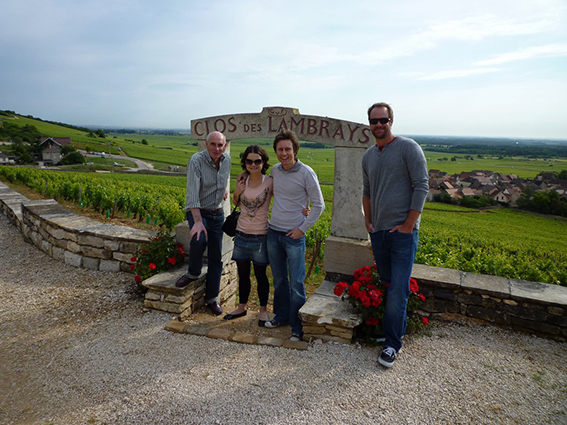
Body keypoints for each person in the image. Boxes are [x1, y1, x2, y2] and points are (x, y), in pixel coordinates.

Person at [362, 102, 429, 368]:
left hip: (402, 233)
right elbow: (366, 190)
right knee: (390, 285)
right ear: (369, 123)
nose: (379, 125)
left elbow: (422, 186)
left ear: (391, 121)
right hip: (378, 232)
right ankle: (393, 332)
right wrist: (368, 220)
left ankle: (392, 345)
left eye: (383, 120)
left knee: (398, 288)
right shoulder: (368, 156)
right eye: (374, 121)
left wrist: (409, 224)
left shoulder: (408, 148)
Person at [264, 129, 325, 342]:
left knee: (296, 283)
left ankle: (297, 326)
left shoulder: (306, 172)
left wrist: (302, 229)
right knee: (279, 280)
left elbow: (319, 205)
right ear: (276, 151)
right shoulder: (275, 170)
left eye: (287, 149)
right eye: (280, 149)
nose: (284, 153)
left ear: (294, 150)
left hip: (294, 236)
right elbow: (266, 191)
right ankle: (281, 316)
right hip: (274, 232)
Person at [175, 131, 231, 317]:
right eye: (213, 144)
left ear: (224, 146)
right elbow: (192, 194)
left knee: (216, 255)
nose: (217, 148)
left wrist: (222, 190)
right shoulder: (196, 161)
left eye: (220, 145)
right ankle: (192, 273)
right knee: (198, 240)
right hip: (198, 211)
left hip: (217, 213)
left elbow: (224, 177)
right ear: (207, 145)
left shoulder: (227, 160)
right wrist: (198, 222)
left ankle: (212, 298)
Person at [223, 145, 273, 326]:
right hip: (241, 234)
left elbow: (285, 198)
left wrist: (304, 209)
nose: (253, 164)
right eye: (249, 161)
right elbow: (236, 201)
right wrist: (238, 189)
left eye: (257, 161)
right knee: (243, 274)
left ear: (263, 162)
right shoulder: (242, 180)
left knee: (261, 275)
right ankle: (241, 306)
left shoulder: (270, 182)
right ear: (245, 162)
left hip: (260, 235)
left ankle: (263, 311)